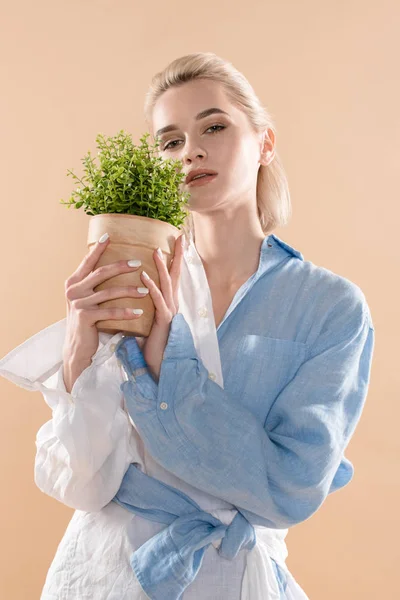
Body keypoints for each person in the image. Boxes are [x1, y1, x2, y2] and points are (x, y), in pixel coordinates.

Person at [0, 52, 375, 599]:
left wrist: (168, 371)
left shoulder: (329, 307)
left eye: (214, 126)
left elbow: (289, 489)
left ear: (265, 143)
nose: (190, 151)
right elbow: (79, 481)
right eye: (170, 141)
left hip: (233, 576)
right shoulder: (133, 276)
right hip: (103, 573)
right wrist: (80, 350)